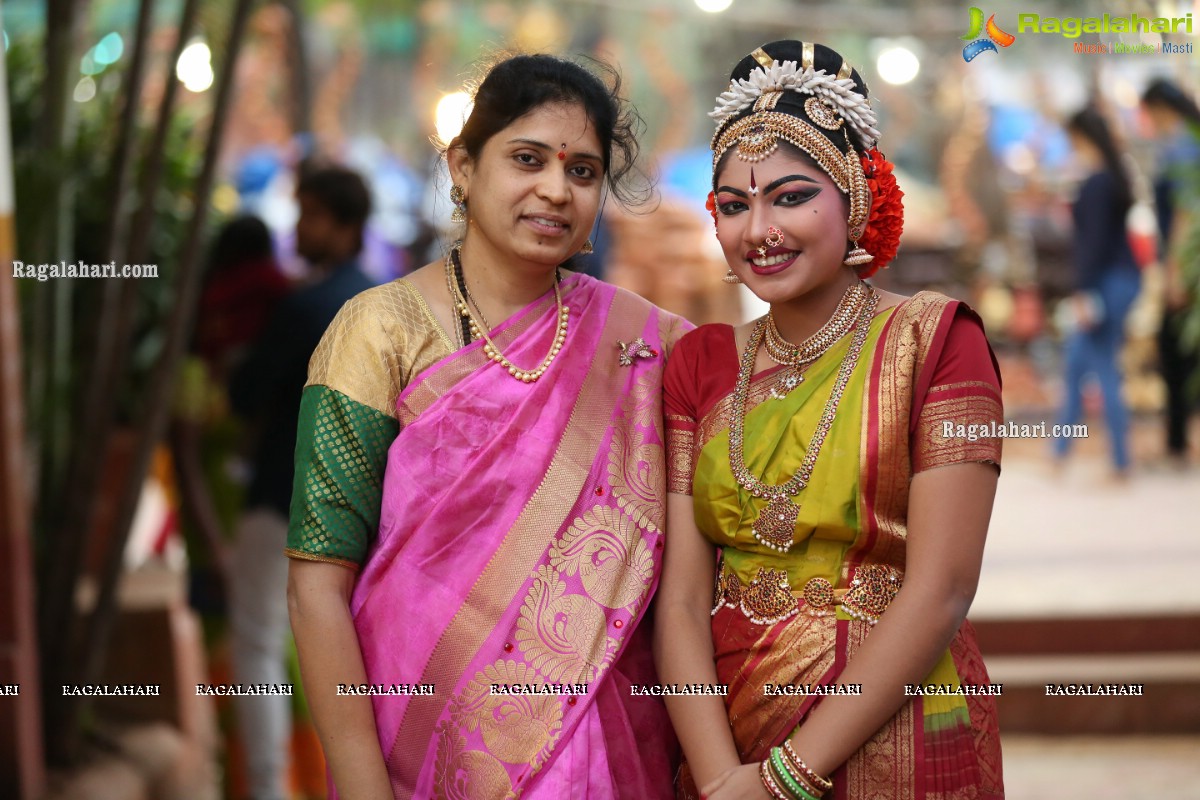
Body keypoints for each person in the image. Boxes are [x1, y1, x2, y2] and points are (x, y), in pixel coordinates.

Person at [285, 53, 686, 799]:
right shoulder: (377, 333)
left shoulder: (642, 344)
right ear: (463, 169)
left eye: (583, 172)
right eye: (527, 159)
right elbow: (316, 587)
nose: (555, 190)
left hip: (605, 752)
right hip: (412, 749)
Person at [655, 41, 1004, 799]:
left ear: (856, 197)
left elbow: (942, 586)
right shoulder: (700, 364)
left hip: (901, 727)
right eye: (734, 205)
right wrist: (720, 780)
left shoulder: (937, 341)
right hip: (729, 734)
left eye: (789, 196)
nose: (759, 231)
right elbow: (680, 600)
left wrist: (787, 780)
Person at [229, 166, 375, 800]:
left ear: (344, 225)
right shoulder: (383, 302)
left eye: (311, 214)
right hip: (365, 507)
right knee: (351, 650)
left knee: (259, 646)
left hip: (283, 499)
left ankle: (270, 788)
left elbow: (245, 393)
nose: (299, 228)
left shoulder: (305, 305)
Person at [1052, 106, 1142, 477]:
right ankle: (1060, 451)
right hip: (1120, 278)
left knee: (1103, 365)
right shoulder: (1112, 177)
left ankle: (1120, 461)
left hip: (1104, 282)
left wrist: (1083, 292)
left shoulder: (1097, 182)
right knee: (1076, 365)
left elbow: (1092, 244)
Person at [1142, 78, 1200, 467]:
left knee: (1176, 353)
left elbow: (1187, 212)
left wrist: (1176, 274)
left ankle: (1178, 443)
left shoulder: (1181, 144)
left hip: (1189, 265)